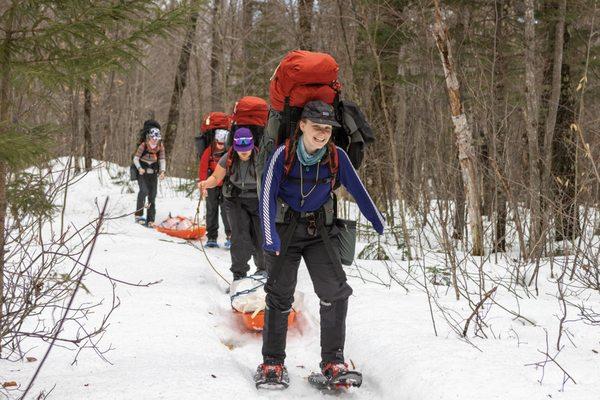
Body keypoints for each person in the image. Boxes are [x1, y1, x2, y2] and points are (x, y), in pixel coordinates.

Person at [254, 101, 385, 388]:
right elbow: (266, 194)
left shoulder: (336, 156)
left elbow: (358, 190)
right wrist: (269, 236)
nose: (322, 133)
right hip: (283, 230)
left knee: (336, 292)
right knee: (279, 294)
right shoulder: (283, 154)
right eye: (316, 127)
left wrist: (378, 221)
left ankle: (333, 362)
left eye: (327, 129)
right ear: (302, 125)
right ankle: (272, 362)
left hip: (318, 231)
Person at [199, 127, 266, 281]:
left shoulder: (260, 158)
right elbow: (216, 178)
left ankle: (263, 271)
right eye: (241, 149)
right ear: (235, 147)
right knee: (240, 237)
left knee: (260, 237)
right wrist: (205, 184)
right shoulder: (228, 157)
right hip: (235, 199)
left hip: (257, 200)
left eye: (247, 149)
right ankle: (239, 275)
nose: (244, 152)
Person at [197, 129, 232, 248]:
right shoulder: (209, 151)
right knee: (211, 209)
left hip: (225, 185)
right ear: (215, 141)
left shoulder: (229, 152)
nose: (220, 146)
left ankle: (230, 236)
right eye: (219, 143)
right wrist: (203, 185)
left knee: (226, 210)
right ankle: (212, 237)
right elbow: (203, 168)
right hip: (211, 184)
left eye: (223, 143)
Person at [133, 120, 166, 227]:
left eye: (157, 139)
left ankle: (150, 219)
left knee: (152, 195)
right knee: (143, 191)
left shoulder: (160, 146)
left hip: (153, 173)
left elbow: (162, 160)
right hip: (142, 171)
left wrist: (162, 171)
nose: (155, 141)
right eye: (153, 138)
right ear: (149, 137)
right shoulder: (143, 145)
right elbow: (136, 158)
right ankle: (139, 215)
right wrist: (139, 168)